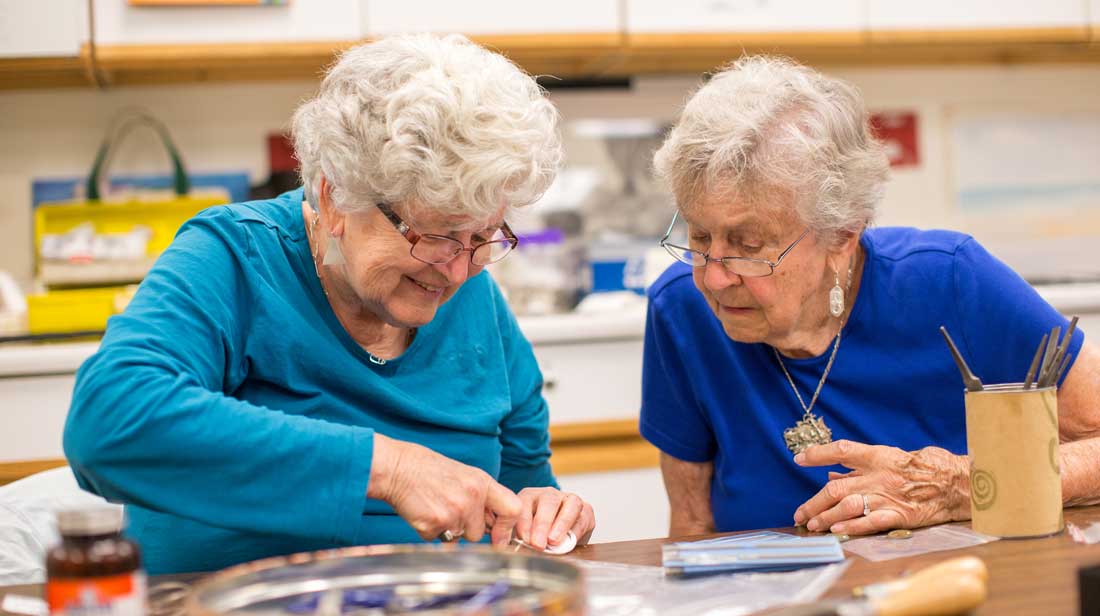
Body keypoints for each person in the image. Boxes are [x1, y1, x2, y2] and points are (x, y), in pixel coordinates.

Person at [63, 34, 595, 574]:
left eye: (484, 236)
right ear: (334, 197)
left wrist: (546, 512)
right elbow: (109, 422)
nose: (459, 270)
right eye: (434, 235)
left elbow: (523, 485)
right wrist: (389, 468)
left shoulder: (469, 287)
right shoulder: (235, 259)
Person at [640, 55, 1100, 538]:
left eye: (749, 246)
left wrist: (959, 485)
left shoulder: (949, 281)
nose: (713, 278)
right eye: (698, 237)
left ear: (841, 234)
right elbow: (691, 524)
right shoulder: (681, 310)